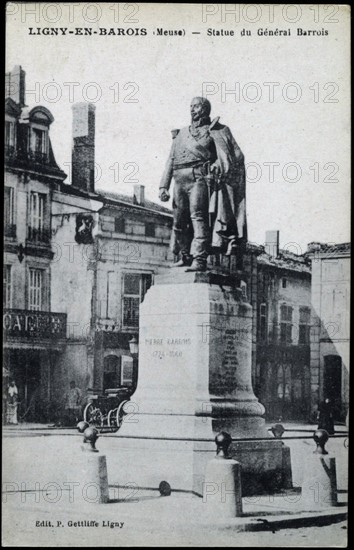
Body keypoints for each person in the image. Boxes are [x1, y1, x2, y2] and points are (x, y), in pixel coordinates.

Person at [159, 97, 247, 272]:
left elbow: (236, 156)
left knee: (197, 217)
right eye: (191, 106)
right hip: (179, 179)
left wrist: (218, 165)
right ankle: (185, 256)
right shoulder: (182, 133)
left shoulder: (217, 130)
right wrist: (163, 186)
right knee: (178, 221)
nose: (192, 109)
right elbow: (171, 159)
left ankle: (199, 259)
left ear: (206, 109)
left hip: (199, 178)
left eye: (197, 106)